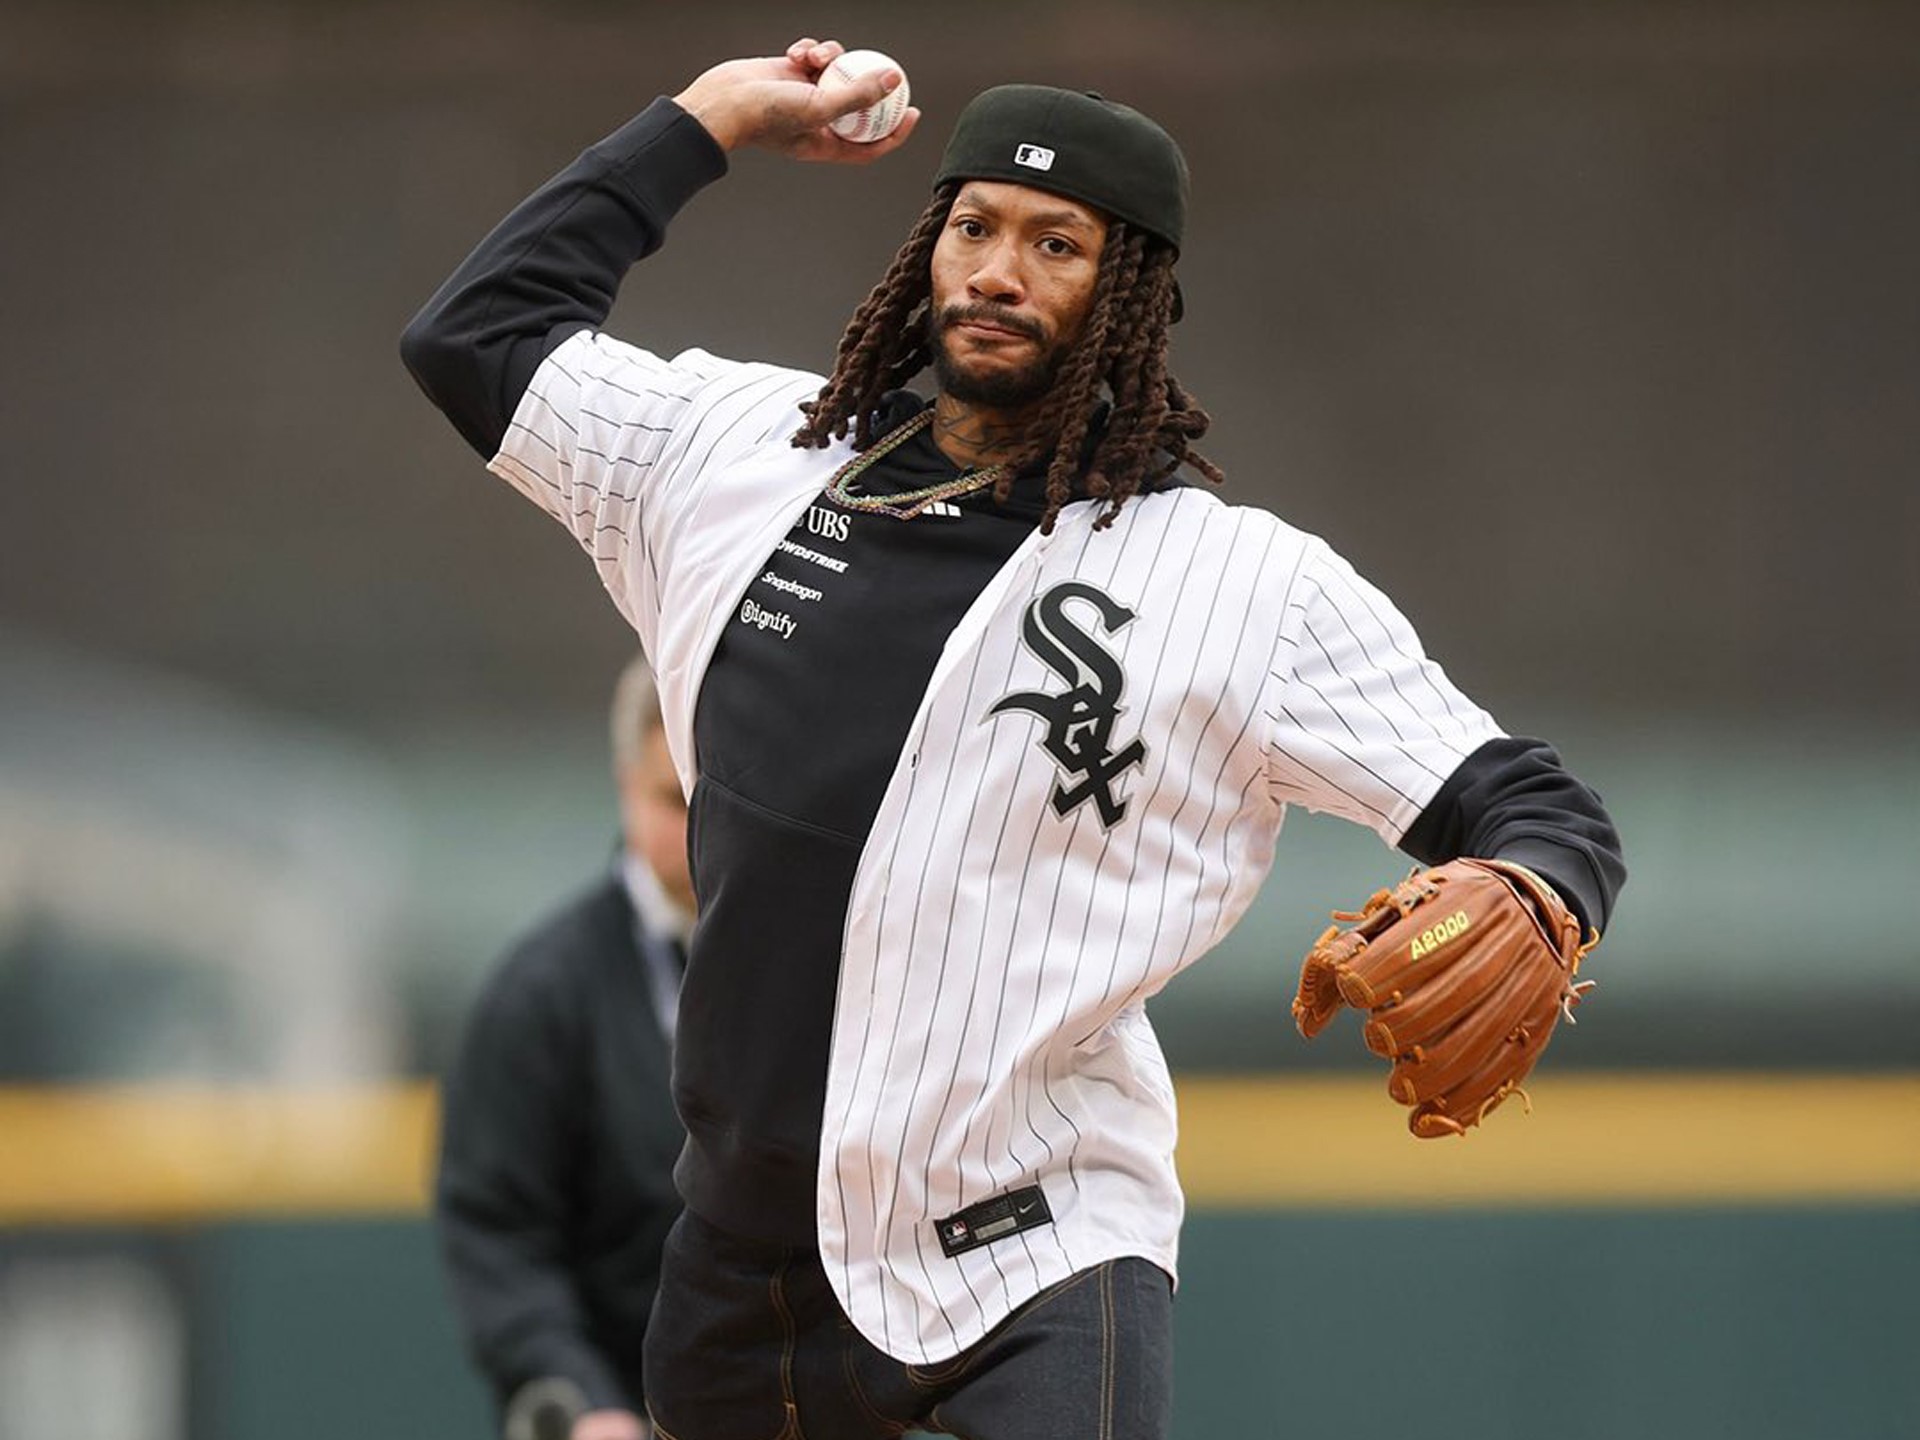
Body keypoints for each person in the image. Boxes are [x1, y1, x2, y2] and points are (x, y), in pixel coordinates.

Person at [402, 37, 1626, 1440]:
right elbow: (476, 336)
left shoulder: (1237, 586)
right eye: (974, 225)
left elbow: (1530, 802)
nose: (998, 270)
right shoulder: (739, 457)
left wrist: (1539, 889)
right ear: (928, 246)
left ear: (1134, 291)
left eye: (1057, 243)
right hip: (746, 1267)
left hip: (1037, 1251)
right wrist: (712, 118)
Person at [435, 655, 691, 1440]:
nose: (702, 828)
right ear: (625, 787)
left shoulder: (824, 963)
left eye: (720, 796)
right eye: (674, 800)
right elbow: (498, 1233)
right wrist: (582, 1401)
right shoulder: (542, 992)